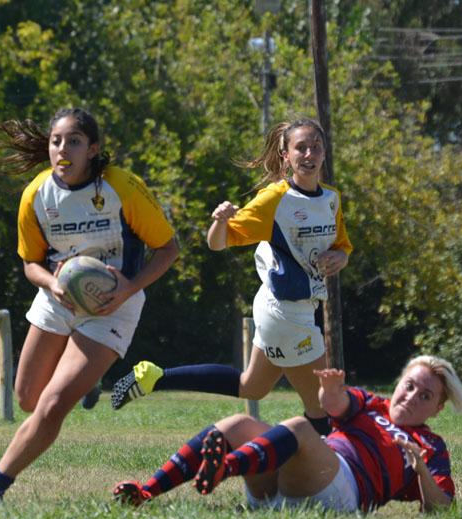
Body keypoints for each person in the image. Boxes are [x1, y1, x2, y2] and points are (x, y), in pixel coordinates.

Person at [0, 108, 179, 504]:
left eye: (74, 141)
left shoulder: (122, 186)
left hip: (113, 306)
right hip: (58, 298)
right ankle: (89, 381)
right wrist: (53, 283)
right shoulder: (36, 194)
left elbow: (169, 249)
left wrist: (129, 288)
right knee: (29, 399)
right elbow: (31, 264)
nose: (63, 149)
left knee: (51, 408)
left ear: (93, 149)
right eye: (56, 141)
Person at [111, 118, 352, 435]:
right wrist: (220, 221)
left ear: (324, 153)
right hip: (286, 311)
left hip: (291, 309)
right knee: (321, 407)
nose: (309, 154)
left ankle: (155, 376)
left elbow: (342, 246)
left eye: (316, 147)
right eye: (301, 148)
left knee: (252, 386)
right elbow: (217, 242)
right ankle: (316, 474)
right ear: (285, 156)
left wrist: (340, 257)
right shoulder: (274, 199)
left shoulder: (330, 199)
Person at [113, 355, 462, 513]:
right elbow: (333, 404)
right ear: (399, 382)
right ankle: (147, 491)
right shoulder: (369, 403)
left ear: (437, 408)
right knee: (239, 423)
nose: (412, 398)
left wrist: (419, 466)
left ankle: (225, 468)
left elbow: (441, 508)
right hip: (302, 479)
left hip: (344, 494)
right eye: (409, 386)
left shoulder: (432, 445)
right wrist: (330, 389)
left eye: (426, 396)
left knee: (298, 428)